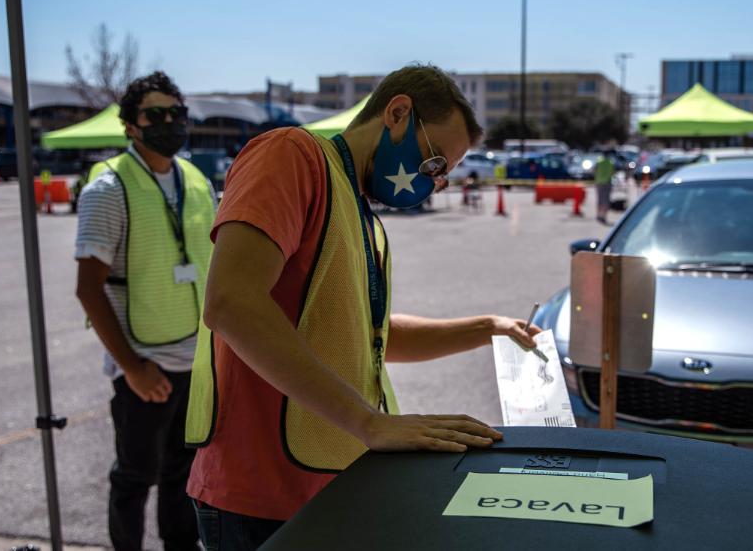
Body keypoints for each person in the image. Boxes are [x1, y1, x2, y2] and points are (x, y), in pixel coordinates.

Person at [185, 64, 539, 550]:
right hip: (261, 497)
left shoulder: (356, 208)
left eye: (445, 176)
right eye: (436, 163)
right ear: (397, 113)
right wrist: (372, 424)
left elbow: (368, 334)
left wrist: (488, 328)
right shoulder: (292, 155)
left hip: (327, 480)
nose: (435, 183)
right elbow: (231, 302)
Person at [75, 71, 214, 551]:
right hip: (145, 364)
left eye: (177, 113)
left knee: (184, 470)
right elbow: (88, 289)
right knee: (135, 476)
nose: (169, 122)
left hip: (195, 361)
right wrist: (132, 368)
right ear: (130, 125)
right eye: (156, 115)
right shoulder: (108, 188)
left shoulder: (194, 178)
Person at [593, 151, 615, 224]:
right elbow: (612, 173)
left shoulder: (599, 162)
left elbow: (594, 170)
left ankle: (598, 215)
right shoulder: (610, 162)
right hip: (607, 182)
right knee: (606, 200)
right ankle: (604, 216)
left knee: (599, 199)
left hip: (599, 182)